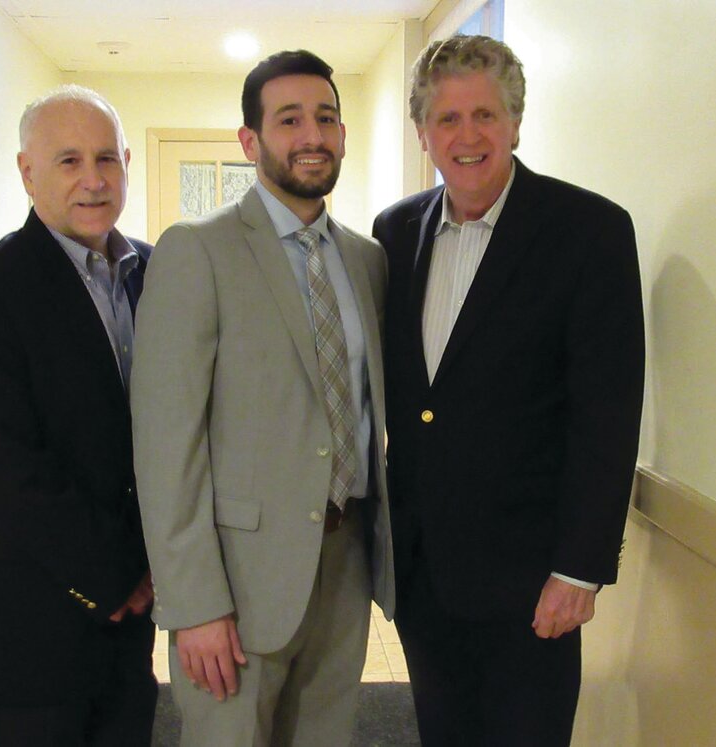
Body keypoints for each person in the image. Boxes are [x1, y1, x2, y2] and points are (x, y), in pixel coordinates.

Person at [372, 35, 645, 746]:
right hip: (426, 574)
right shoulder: (394, 233)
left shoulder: (588, 231)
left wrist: (577, 569)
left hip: (532, 583)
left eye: (484, 115)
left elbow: (607, 413)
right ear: (423, 132)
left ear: (515, 123)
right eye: (447, 118)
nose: (467, 136)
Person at [131, 50, 395, 746]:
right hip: (236, 582)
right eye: (288, 120)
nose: (312, 135)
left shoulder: (365, 260)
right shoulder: (197, 251)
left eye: (326, 117)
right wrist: (192, 604)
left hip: (344, 565)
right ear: (250, 141)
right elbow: (167, 445)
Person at [0, 85, 157, 746]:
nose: (92, 180)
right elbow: (5, 466)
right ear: (27, 172)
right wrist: (121, 574)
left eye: (107, 159)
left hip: (125, 630)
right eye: (67, 161)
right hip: (19, 629)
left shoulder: (155, 272)